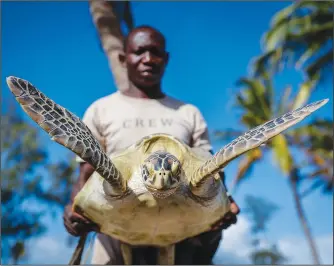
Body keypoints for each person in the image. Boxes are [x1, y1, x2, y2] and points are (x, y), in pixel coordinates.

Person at [63, 25, 240, 264]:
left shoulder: (188, 113)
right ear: (124, 58)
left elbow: (211, 167)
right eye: (139, 52)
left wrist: (224, 201)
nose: (148, 59)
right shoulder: (101, 109)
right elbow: (86, 173)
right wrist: (74, 207)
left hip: (182, 236)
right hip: (113, 234)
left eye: (155, 52)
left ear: (165, 59)